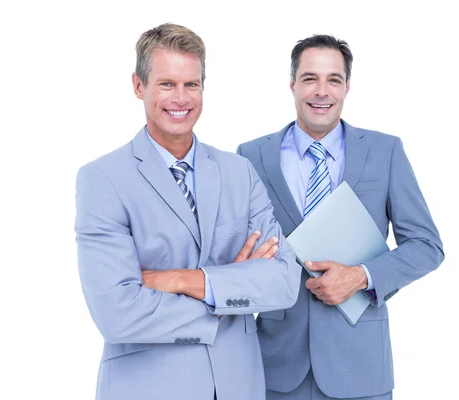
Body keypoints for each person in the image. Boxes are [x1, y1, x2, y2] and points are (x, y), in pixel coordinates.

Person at [75, 23, 301, 400]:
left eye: (191, 85)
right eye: (167, 84)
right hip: (148, 388)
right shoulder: (102, 179)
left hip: (238, 386)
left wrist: (183, 280)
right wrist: (229, 290)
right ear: (138, 86)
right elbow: (116, 312)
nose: (180, 98)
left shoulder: (238, 172)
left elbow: (284, 281)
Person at [237, 34, 445, 400]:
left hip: (360, 366)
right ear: (292, 85)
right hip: (277, 369)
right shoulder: (251, 156)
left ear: (347, 87)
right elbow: (235, 248)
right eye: (310, 78)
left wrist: (361, 277)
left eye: (333, 79)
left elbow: (427, 246)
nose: (322, 91)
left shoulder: (385, 151)